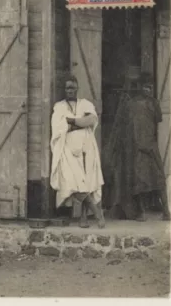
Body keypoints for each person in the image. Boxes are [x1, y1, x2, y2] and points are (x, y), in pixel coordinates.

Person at [104, 73, 171, 221]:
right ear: (140, 88)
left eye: (151, 87)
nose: (148, 90)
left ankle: (166, 211)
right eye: (146, 87)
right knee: (140, 180)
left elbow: (157, 121)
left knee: (158, 179)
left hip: (150, 146)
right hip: (138, 146)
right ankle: (141, 212)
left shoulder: (154, 103)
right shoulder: (131, 104)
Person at [50, 75, 105, 228]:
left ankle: (84, 218)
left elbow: (91, 120)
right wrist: (81, 123)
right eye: (68, 88)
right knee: (71, 181)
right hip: (67, 148)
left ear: (77, 88)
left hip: (87, 145)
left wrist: (71, 121)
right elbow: (58, 127)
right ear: (64, 89)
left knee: (88, 180)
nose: (70, 91)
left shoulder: (85, 104)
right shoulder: (59, 107)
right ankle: (97, 212)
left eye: (73, 88)